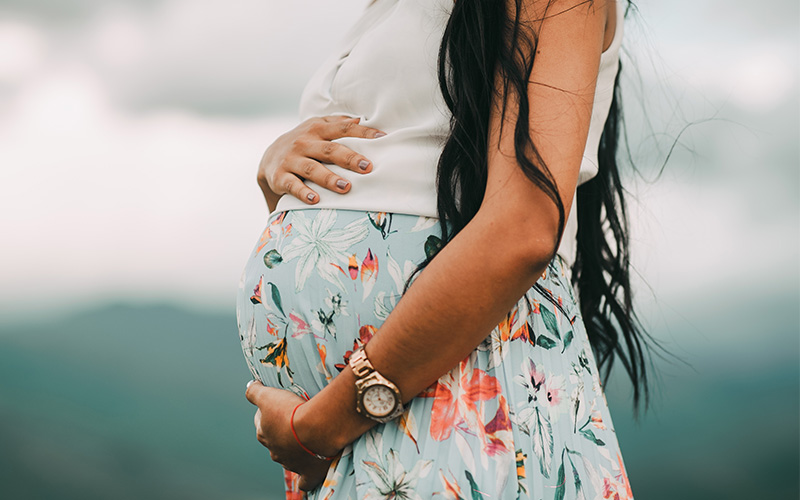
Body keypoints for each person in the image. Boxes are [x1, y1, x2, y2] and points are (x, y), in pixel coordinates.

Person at [237, 0, 651, 498]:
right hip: (368, 429)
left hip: (462, 406)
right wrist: (279, 182)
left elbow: (521, 230)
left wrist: (323, 425)